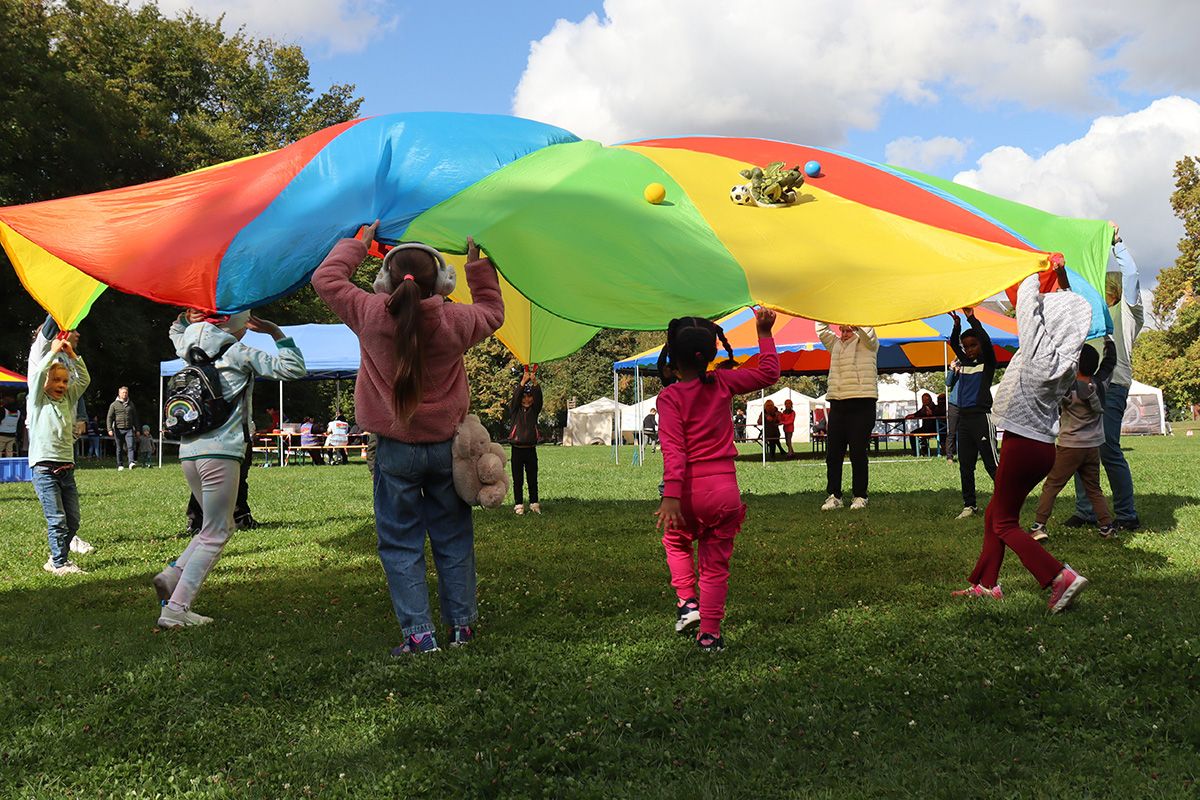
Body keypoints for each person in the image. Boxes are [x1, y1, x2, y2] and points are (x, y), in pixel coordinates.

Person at [312, 222, 503, 655]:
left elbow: (326, 280)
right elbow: (493, 311)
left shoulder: (368, 313)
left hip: (394, 451)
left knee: (400, 541)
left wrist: (357, 246)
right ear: (442, 282)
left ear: (384, 281)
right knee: (453, 537)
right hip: (447, 452)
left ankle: (420, 636)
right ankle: (461, 629)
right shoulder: (456, 320)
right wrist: (477, 268)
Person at [153, 309, 305, 628]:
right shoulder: (238, 352)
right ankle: (176, 609)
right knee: (217, 531)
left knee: (213, 526)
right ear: (234, 326)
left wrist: (185, 315)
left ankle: (172, 574)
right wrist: (276, 332)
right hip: (222, 452)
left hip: (188, 451)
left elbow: (173, 329)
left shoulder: (187, 348)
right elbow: (293, 368)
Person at [955, 266, 1090, 613]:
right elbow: (1040, 313)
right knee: (994, 514)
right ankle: (985, 585)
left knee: (1004, 522)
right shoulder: (1065, 357)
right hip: (1040, 446)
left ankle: (1059, 576)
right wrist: (1058, 278)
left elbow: (1029, 308)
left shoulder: (1039, 356)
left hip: (1023, 444)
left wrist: (1029, 270)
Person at [655, 309, 780, 651]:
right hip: (725, 491)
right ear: (710, 354)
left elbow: (674, 450)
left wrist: (672, 495)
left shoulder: (669, 398)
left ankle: (687, 602)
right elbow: (770, 372)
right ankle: (710, 635)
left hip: (689, 493)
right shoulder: (723, 382)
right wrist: (764, 331)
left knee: (676, 541)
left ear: (672, 357)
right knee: (715, 565)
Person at [1065, 223, 1144, 531]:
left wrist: (1117, 243)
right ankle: (1085, 511)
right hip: (1086, 384)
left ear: (1112, 290)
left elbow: (1133, 277)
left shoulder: (1127, 311)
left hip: (1114, 385)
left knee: (1108, 446)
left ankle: (1127, 515)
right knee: (1080, 445)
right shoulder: (1090, 316)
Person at [1030, 339, 1118, 540]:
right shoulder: (1101, 384)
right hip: (1092, 447)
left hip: (1069, 446)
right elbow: (1110, 363)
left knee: (1052, 485)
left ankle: (1038, 526)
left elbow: (1046, 383)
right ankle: (1107, 527)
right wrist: (1108, 341)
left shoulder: (1065, 387)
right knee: (1094, 488)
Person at [27, 317, 94, 555]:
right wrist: (53, 351)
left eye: (65, 381)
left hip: (66, 466)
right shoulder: (36, 400)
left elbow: (84, 380)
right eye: (56, 380)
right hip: (44, 467)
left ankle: (59, 555)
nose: (62, 385)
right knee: (57, 519)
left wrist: (73, 355)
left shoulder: (68, 398)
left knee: (72, 521)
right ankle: (59, 561)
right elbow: (36, 376)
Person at [816, 322, 879, 510]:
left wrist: (855, 319)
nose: (843, 334)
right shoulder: (835, 344)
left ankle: (860, 495)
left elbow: (869, 334)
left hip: (862, 402)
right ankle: (834, 495)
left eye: (848, 330)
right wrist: (825, 311)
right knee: (833, 454)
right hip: (837, 403)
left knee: (858, 452)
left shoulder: (868, 344)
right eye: (841, 330)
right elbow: (821, 329)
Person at [947, 308, 998, 519]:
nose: (969, 350)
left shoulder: (988, 363)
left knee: (991, 463)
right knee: (966, 465)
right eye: (966, 346)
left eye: (973, 345)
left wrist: (971, 318)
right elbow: (952, 343)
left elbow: (984, 340)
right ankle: (970, 505)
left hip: (982, 418)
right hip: (965, 420)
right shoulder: (964, 363)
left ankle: (1007, 500)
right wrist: (957, 324)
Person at [508, 364, 543, 514]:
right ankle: (519, 505)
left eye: (529, 396)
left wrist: (534, 382)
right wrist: (523, 381)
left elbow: (539, 397)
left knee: (532, 478)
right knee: (518, 480)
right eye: (524, 396)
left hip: (530, 450)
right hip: (517, 450)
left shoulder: (534, 411)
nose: (526, 399)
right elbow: (516, 397)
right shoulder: (515, 410)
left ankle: (534, 503)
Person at [106, 386, 139, 470]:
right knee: (119, 448)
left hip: (129, 429)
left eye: (126, 392)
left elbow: (135, 417)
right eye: (123, 392)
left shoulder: (131, 404)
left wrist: (138, 429)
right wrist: (109, 429)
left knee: (130, 446)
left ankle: (131, 462)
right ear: (119, 394)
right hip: (118, 429)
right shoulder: (114, 405)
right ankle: (120, 464)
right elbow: (109, 417)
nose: (124, 394)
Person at [944, 362, 960, 463]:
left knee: (965, 433)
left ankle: (965, 454)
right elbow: (948, 383)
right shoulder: (954, 374)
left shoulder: (968, 374)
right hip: (953, 405)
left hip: (966, 405)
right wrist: (951, 369)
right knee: (952, 432)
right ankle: (949, 456)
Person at [0, 393, 19, 457]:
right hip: (12, 435)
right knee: (9, 452)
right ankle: (10, 465)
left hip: (2, 435)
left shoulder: (3, 410)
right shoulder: (18, 412)